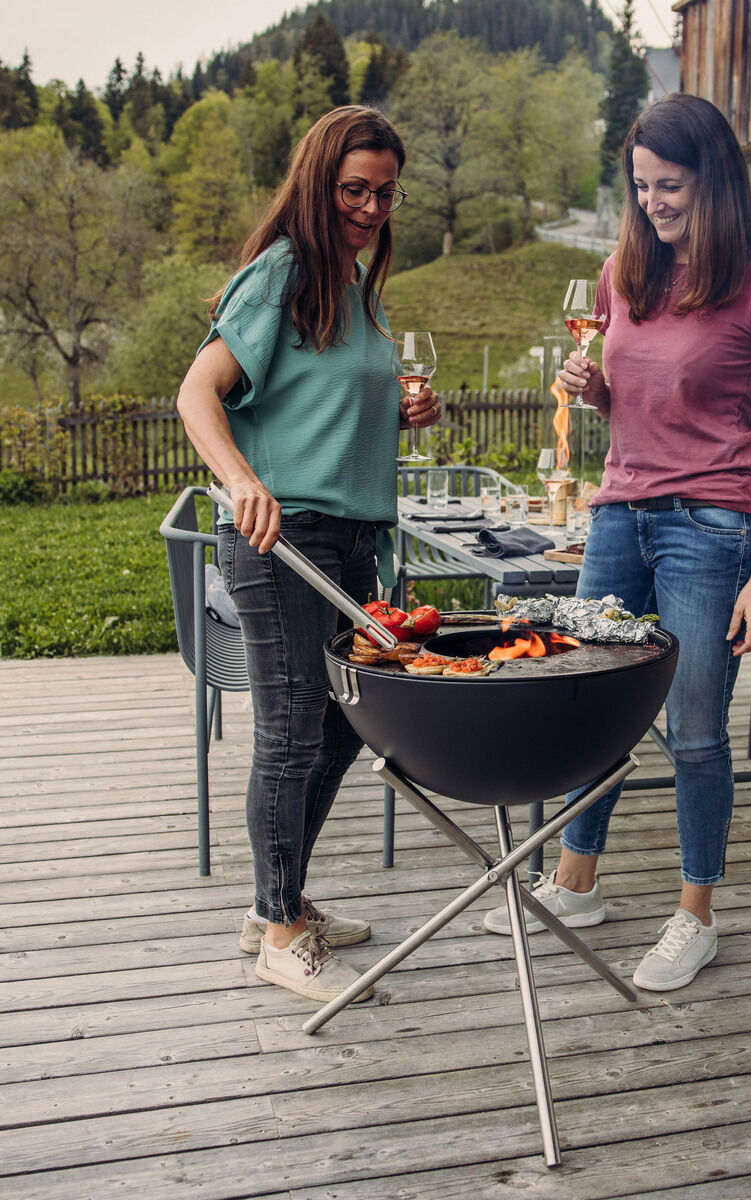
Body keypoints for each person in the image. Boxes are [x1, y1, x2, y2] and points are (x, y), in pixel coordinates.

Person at [484, 93, 751, 991]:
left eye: (670, 185)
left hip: (714, 527)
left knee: (693, 728)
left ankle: (695, 914)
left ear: (714, 181)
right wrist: (592, 392)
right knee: (595, 710)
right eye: (640, 186)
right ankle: (577, 878)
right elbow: (637, 402)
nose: (654, 202)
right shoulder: (622, 275)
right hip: (619, 515)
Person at [176, 106, 441, 1005]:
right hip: (280, 537)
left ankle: (274, 903)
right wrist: (243, 481)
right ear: (319, 183)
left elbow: (322, 399)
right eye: (354, 189)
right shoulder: (284, 270)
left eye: (384, 193)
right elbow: (196, 393)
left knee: (338, 725)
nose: (370, 207)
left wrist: (396, 411)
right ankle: (281, 929)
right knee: (293, 730)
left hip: (349, 537)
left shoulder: (355, 282)